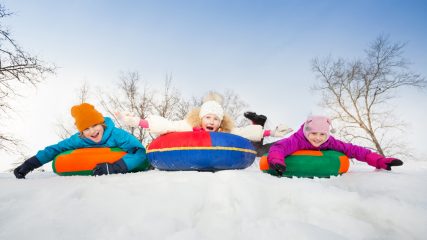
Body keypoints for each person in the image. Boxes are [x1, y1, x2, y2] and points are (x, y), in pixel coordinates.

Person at [13, 103, 148, 179]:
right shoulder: (79, 139)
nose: (92, 131)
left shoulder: (117, 135)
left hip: (121, 167)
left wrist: (113, 167)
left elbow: (139, 152)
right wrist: (30, 164)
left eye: (95, 125)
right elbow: (56, 149)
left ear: (102, 124)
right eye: (86, 129)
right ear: (81, 132)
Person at [116, 92, 293, 142]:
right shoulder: (189, 126)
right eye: (208, 117)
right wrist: (137, 121)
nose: (212, 122)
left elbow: (245, 132)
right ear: (201, 118)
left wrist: (272, 132)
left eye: (216, 119)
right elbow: (167, 125)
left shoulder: (225, 131)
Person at [267, 115, 403, 175]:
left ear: (327, 134)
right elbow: (279, 147)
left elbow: (354, 150)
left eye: (322, 134)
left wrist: (380, 160)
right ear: (307, 132)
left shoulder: (330, 142)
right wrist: (276, 160)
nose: (318, 138)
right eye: (314, 133)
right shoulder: (297, 139)